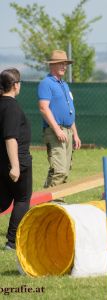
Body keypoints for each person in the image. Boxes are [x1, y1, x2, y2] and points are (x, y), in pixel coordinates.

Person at [38, 50, 81, 188]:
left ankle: (50, 201)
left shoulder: (64, 85)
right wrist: (57, 130)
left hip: (67, 131)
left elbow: (69, 112)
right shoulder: (46, 83)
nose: (64, 66)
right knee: (59, 170)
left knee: (65, 170)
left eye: (65, 64)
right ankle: (53, 203)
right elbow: (44, 108)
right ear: (51, 65)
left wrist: (75, 134)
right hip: (55, 131)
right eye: (60, 64)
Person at [0, 68, 32, 250]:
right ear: (14, 85)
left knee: (3, 200)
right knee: (22, 199)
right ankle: (12, 242)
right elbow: (10, 137)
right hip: (16, 161)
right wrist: (15, 166)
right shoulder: (11, 106)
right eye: (19, 82)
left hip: (1, 162)